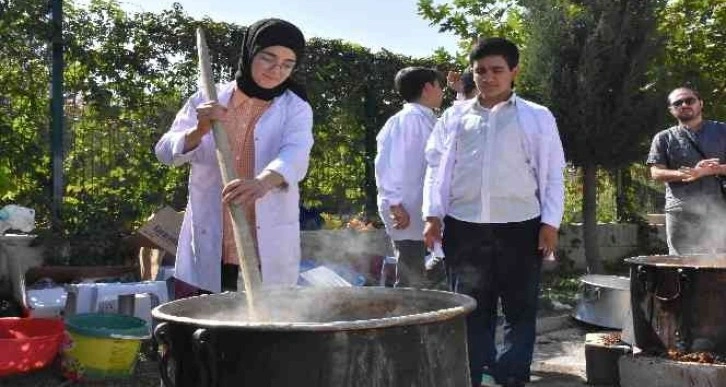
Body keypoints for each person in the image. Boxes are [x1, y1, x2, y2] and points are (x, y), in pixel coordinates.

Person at [422, 38, 565, 387]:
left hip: (521, 227)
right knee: (472, 308)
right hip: (464, 227)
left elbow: (551, 172)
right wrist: (432, 215)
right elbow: (435, 167)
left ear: (514, 71)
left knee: (520, 309)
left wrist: (550, 222)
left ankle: (512, 376)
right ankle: (478, 375)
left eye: (497, 70)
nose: (488, 77)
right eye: (480, 70)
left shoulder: (536, 116)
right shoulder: (454, 118)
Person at [155, 18, 314, 298]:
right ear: (251, 52)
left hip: (265, 233)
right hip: (215, 231)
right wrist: (199, 129)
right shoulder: (208, 100)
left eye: (287, 64)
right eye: (268, 58)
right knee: (212, 315)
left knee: (264, 320)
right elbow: (165, 151)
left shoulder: (295, 108)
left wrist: (262, 182)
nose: (276, 70)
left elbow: (296, 152)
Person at [374, 67, 444, 288]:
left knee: (425, 267)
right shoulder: (407, 120)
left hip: (421, 208)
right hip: (405, 210)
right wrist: (395, 204)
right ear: (427, 88)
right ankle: (405, 319)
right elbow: (388, 164)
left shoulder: (427, 119)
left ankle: (419, 310)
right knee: (410, 271)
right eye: (440, 86)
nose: (442, 92)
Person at [646, 86, 726, 255]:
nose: (684, 104)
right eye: (678, 103)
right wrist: (688, 174)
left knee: (719, 265)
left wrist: (711, 170)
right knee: (680, 265)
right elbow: (656, 173)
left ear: (701, 103)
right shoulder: (663, 138)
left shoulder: (722, 131)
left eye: (689, 100)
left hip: (718, 210)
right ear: (671, 110)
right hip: (680, 212)